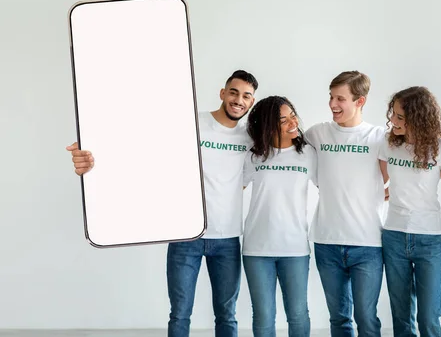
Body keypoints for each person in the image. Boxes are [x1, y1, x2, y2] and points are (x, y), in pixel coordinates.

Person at [67, 70, 259, 337]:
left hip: (227, 239)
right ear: (223, 93)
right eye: (234, 92)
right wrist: (93, 149)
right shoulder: (193, 123)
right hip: (186, 235)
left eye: (246, 96)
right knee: (180, 314)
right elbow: (144, 142)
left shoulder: (250, 139)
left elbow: (248, 178)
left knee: (226, 315)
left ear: (251, 102)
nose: (239, 100)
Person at [304, 71, 386, 337]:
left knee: (366, 318)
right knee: (339, 319)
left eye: (341, 98)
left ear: (360, 101)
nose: (332, 104)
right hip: (326, 241)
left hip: (368, 243)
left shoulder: (379, 137)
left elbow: (402, 175)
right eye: (331, 97)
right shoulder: (317, 134)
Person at [378, 87, 441, 337]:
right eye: (393, 115)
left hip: (429, 238)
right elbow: (377, 183)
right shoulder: (388, 144)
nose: (393, 121)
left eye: (400, 117)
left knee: (428, 317)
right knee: (401, 316)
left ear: (418, 118)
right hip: (394, 236)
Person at [242, 95, 317, 337]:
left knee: (297, 314)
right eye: (283, 119)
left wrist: (381, 188)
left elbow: (333, 184)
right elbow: (229, 187)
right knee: (263, 316)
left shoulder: (308, 154)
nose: (292, 122)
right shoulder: (253, 155)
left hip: (295, 248)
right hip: (257, 249)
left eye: (292, 115)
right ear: (267, 125)